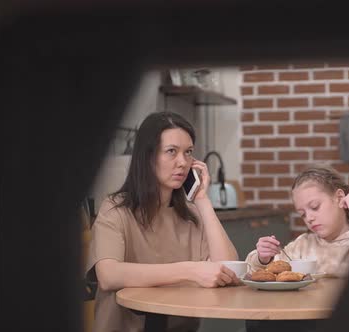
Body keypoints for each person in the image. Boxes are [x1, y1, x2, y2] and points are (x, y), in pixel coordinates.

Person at [85, 111, 239, 332]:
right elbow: (108, 275)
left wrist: (203, 201)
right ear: (148, 157)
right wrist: (190, 270)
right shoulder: (115, 209)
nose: (183, 162)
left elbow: (228, 269)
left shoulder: (193, 214)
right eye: (171, 152)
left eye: (188, 153)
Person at [245, 164, 349, 278]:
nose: (309, 218)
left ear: (339, 197)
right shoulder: (302, 245)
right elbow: (252, 273)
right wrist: (263, 259)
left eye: (315, 207)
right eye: (302, 214)